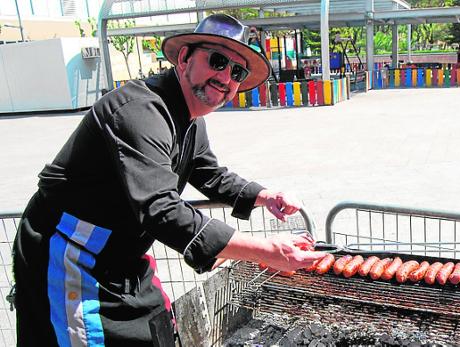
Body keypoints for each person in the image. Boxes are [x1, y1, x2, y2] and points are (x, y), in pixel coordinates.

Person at [12, 14, 327, 346]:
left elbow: (210, 174)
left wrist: (265, 195)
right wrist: (266, 251)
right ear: (184, 58)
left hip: (124, 258)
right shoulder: (139, 110)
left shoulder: (192, 120)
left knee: (158, 333)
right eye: (217, 61)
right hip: (72, 253)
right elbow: (161, 208)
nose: (225, 77)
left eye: (237, 72)